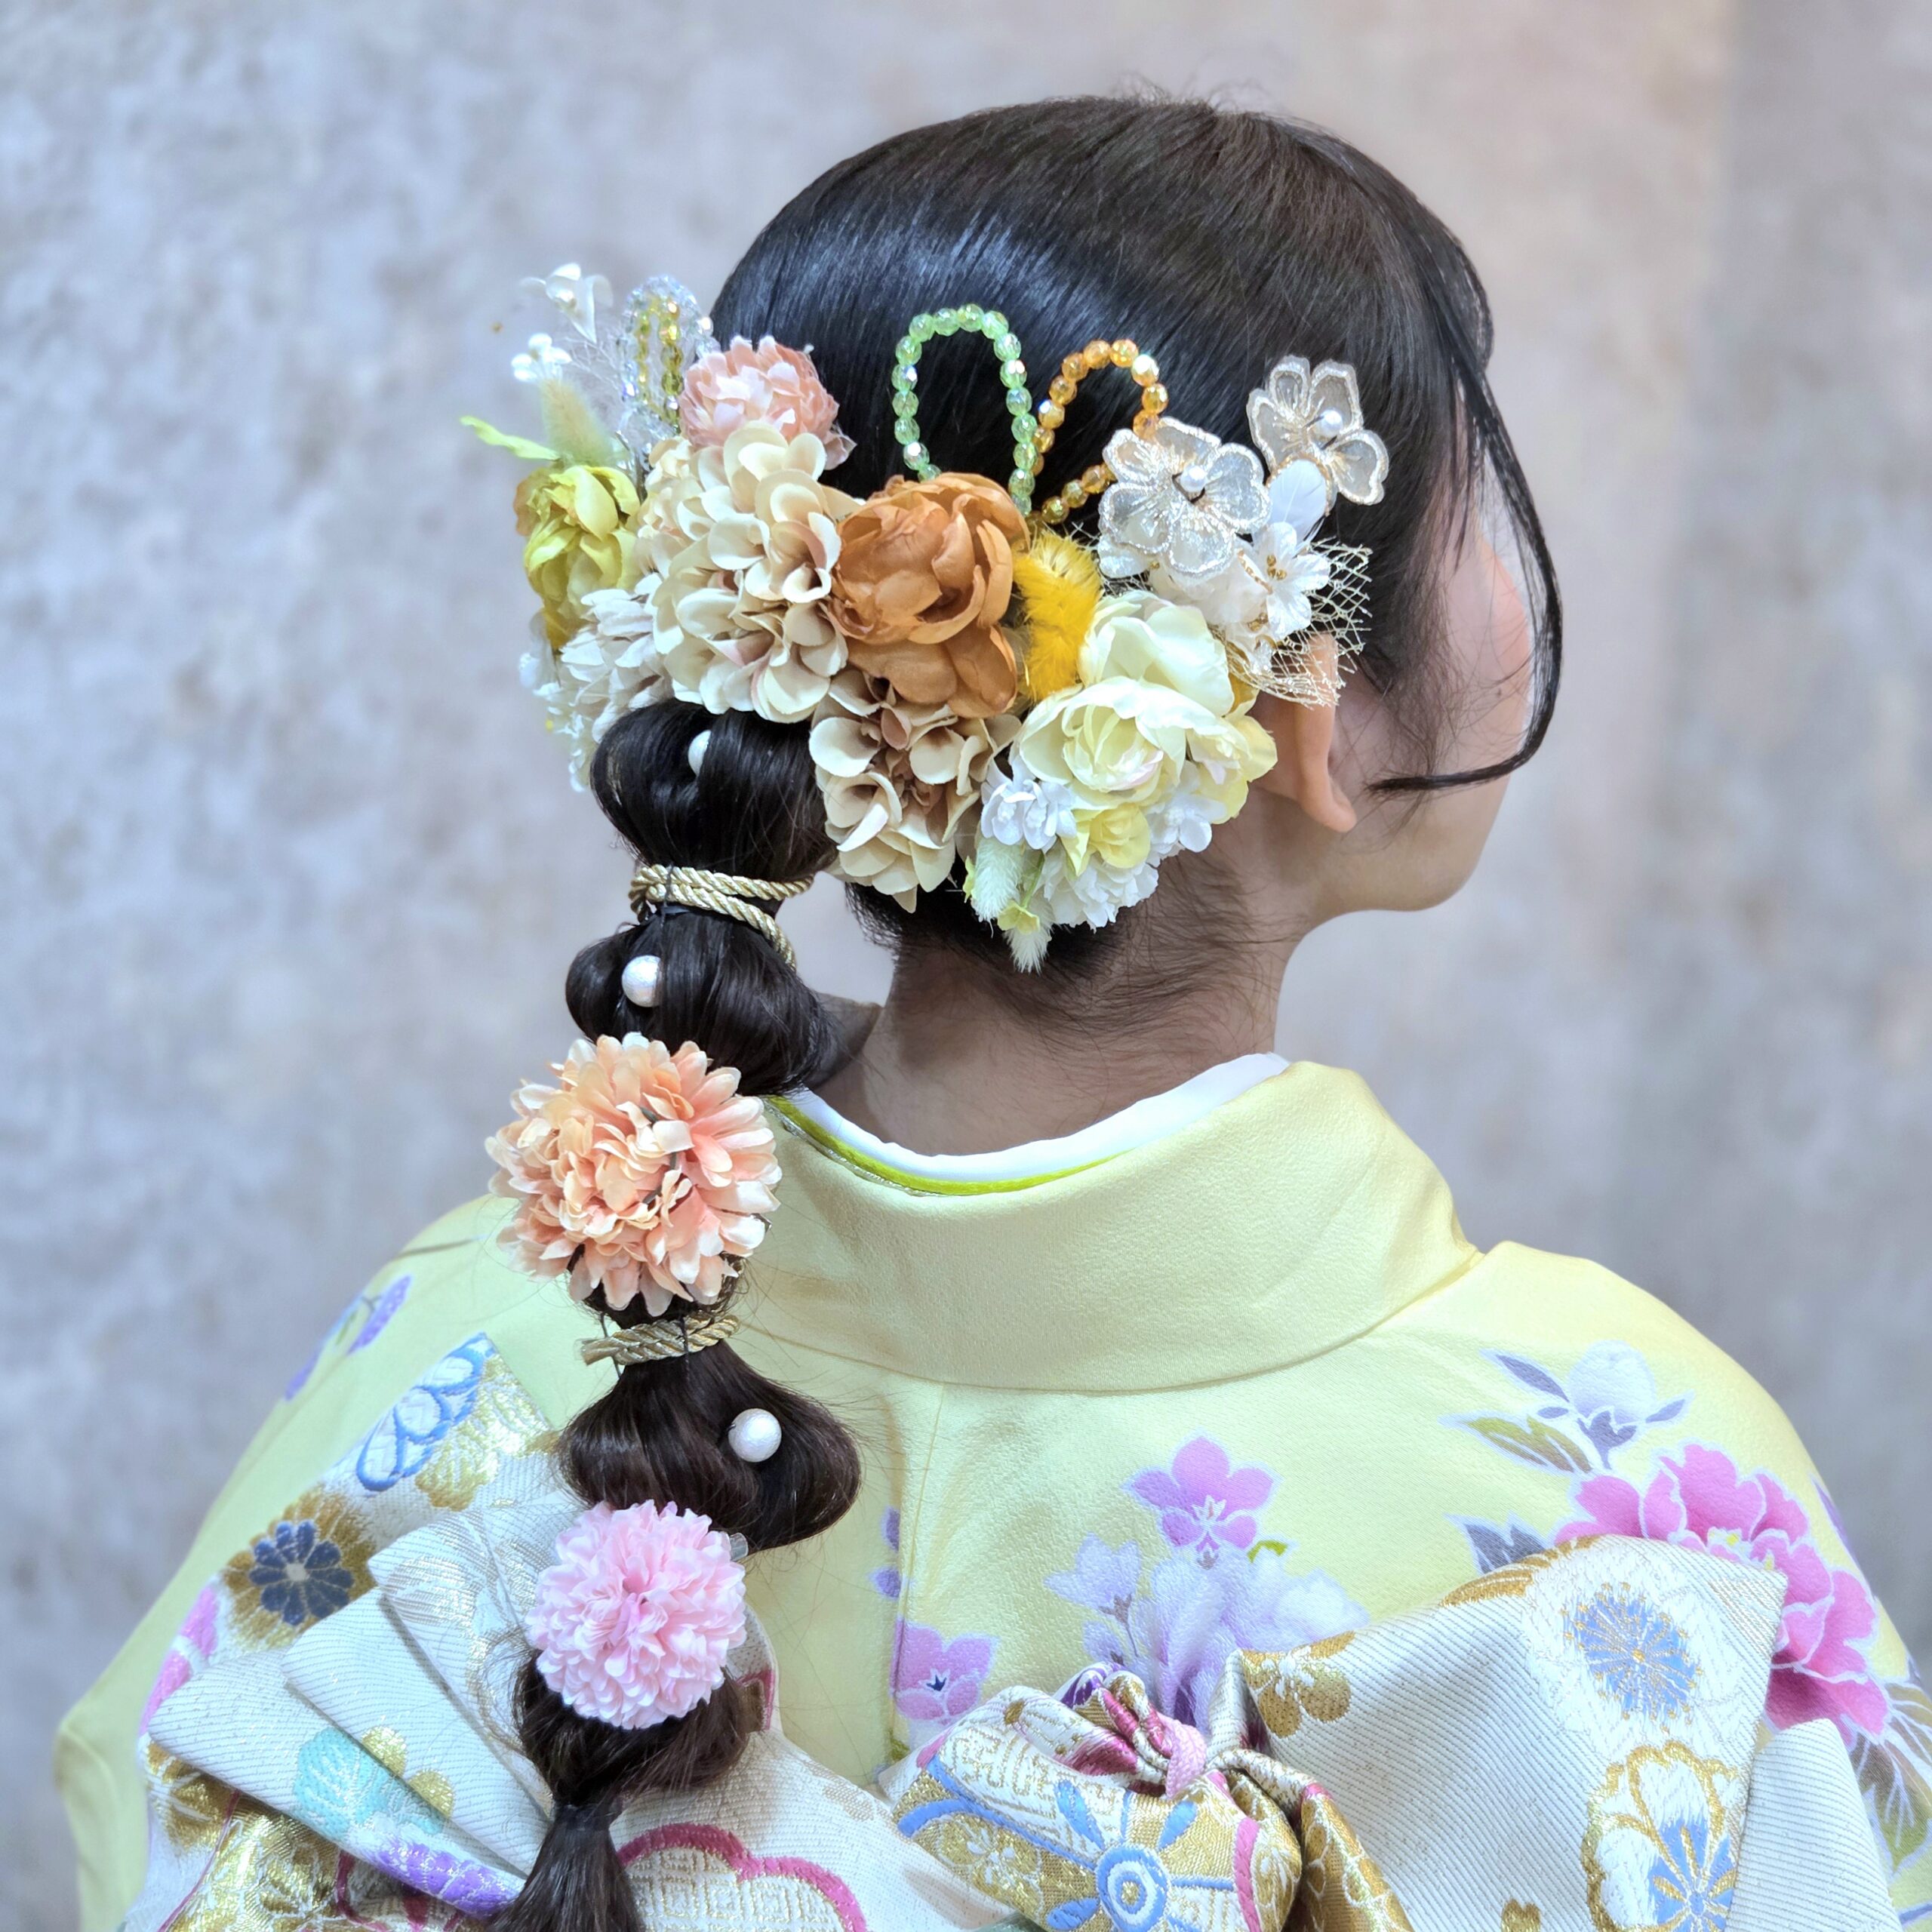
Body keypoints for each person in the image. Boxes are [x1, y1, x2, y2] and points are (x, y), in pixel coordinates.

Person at [59, 97, 1929, 1930]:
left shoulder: (462, 1339)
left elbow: (144, 1813)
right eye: (1473, 493)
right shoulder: (1623, 1487)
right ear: (1307, 716)